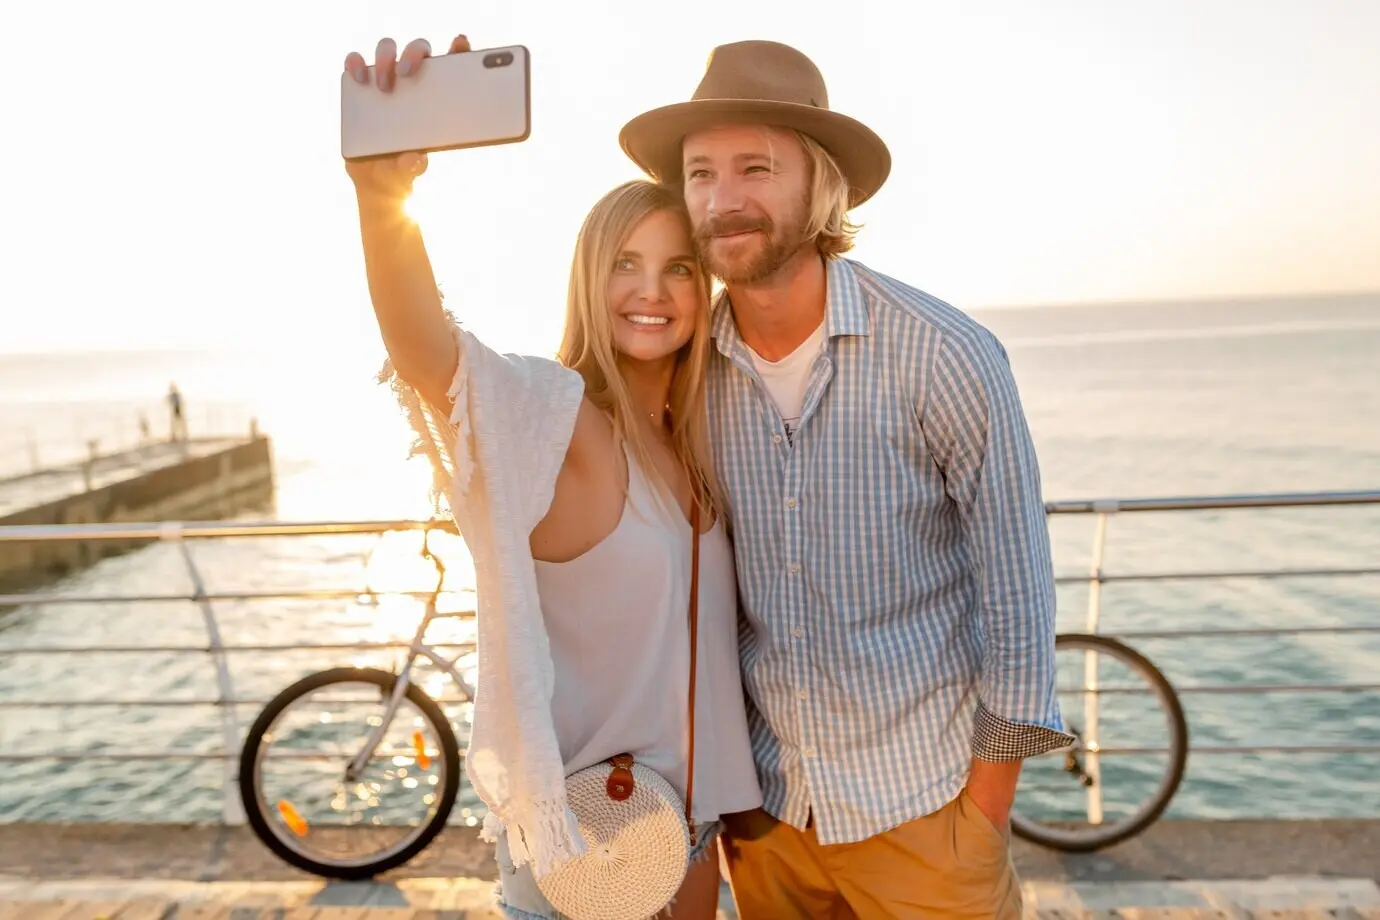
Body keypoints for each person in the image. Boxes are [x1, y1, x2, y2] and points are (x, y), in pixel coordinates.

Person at [618, 40, 1074, 919]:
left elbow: (1019, 595)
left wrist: (982, 813)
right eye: (702, 172)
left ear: (819, 186)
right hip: (769, 818)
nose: (724, 198)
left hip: (927, 815)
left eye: (757, 167)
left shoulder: (945, 355)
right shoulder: (681, 372)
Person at [342, 34, 761, 920]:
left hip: (687, 843)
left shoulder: (698, 437)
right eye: (624, 263)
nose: (652, 290)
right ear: (588, 277)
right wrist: (383, 199)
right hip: (583, 851)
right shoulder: (558, 417)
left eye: (678, 266)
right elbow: (430, 355)